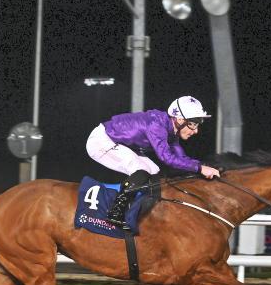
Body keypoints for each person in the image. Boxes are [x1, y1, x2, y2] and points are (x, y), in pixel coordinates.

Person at [85, 95, 221, 227]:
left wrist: (203, 166)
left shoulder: (171, 129)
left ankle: (139, 213)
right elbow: (167, 158)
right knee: (141, 171)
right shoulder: (156, 125)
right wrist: (200, 168)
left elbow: (181, 158)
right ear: (180, 120)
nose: (196, 131)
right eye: (193, 124)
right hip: (101, 141)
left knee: (154, 172)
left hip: (119, 142)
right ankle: (115, 212)